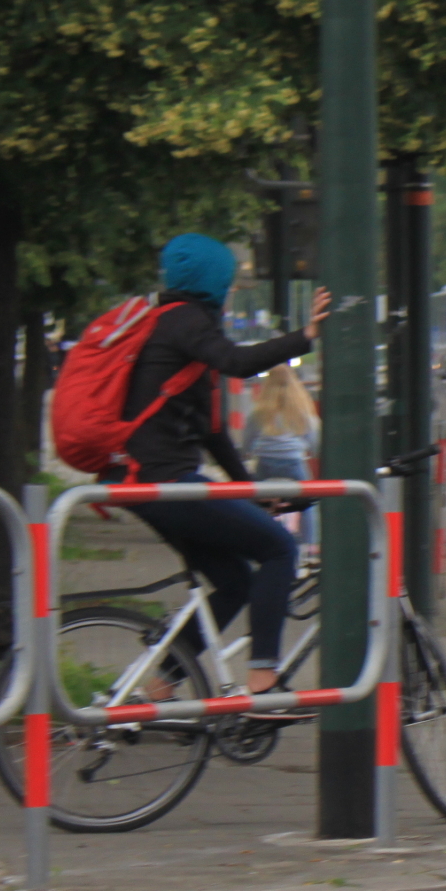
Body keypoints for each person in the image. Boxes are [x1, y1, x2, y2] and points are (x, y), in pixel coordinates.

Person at [119, 234, 326, 700]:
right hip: (165, 482)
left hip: (157, 481)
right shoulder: (184, 321)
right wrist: (306, 337)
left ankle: (156, 691)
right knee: (279, 549)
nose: (231, 290)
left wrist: (250, 489)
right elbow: (237, 363)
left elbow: (213, 431)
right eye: (227, 281)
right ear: (210, 281)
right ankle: (263, 681)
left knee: (235, 583)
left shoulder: (179, 330)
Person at [243, 365, 319, 554]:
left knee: (255, 501)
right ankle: (310, 544)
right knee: (308, 503)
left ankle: (253, 538)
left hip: (265, 463)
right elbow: (313, 441)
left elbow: (247, 442)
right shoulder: (301, 412)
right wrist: (309, 450)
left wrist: (247, 453)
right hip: (294, 463)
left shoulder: (259, 412)